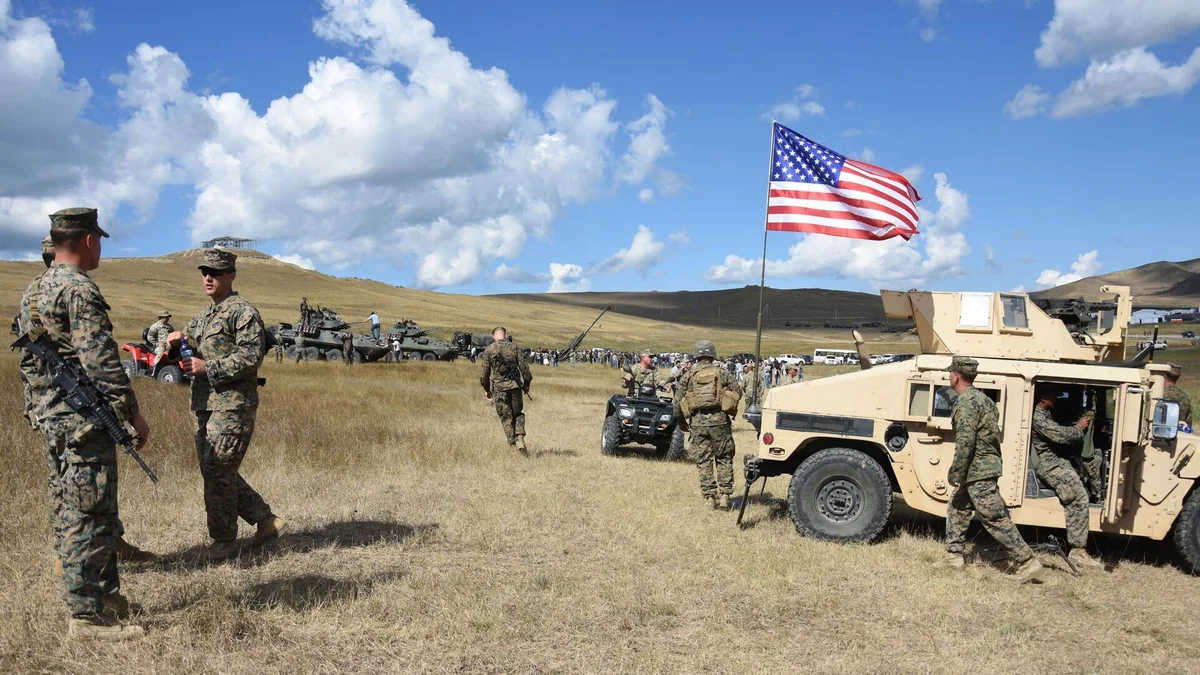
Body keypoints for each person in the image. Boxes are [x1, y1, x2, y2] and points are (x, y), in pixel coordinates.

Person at [17, 207, 150, 639]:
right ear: (89, 239)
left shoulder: (35, 290)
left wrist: (37, 408)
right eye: (100, 240)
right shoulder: (78, 289)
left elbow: (29, 363)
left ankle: (106, 592)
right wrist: (131, 413)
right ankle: (85, 616)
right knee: (88, 512)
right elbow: (102, 363)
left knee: (79, 504)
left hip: (54, 418)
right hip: (82, 421)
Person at [165, 248, 283, 562]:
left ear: (230, 275)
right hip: (204, 405)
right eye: (205, 272)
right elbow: (186, 347)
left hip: (233, 406)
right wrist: (175, 342)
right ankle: (265, 519)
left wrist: (210, 368)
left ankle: (223, 542)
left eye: (215, 272)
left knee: (218, 472)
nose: (208, 277)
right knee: (215, 470)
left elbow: (250, 357)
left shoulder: (242, 312)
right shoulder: (205, 315)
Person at [938, 356, 1043, 582]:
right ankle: (954, 556)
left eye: (950, 374)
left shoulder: (966, 403)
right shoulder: (984, 400)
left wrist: (956, 472)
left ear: (956, 376)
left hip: (978, 470)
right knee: (958, 507)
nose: (949, 377)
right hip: (982, 468)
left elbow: (966, 442)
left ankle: (1027, 561)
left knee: (993, 517)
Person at [1030, 386, 1103, 569]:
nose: (1056, 397)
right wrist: (1079, 427)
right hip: (1050, 466)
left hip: (1058, 462)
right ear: (1042, 397)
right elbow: (1061, 435)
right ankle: (1078, 551)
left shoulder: (1046, 414)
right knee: (1079, 497)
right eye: (1053, 393)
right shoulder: (1037, 417)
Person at [674, 340, 742, 509]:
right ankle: (725, 495)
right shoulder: (722, 373)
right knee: (724, 457)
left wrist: (682, 422)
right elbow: (738, 392)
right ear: (712, 354)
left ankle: (710, 497)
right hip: (720, 422)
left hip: (698, 423)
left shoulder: (689, 375)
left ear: (696, 355)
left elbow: (676, 402)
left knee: (703, 460)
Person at [480, 327, 532, 455]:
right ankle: (520, 438)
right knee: (518, 414)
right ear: (506, 335)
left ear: (493, 337)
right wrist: (526, 385)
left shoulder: (489, 350)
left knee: (506, 417)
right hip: (515, 387)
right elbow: (525, 370)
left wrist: (487, 390)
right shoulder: (515, 348)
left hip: (499, 389)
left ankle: (512, 444)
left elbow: (484, 375)